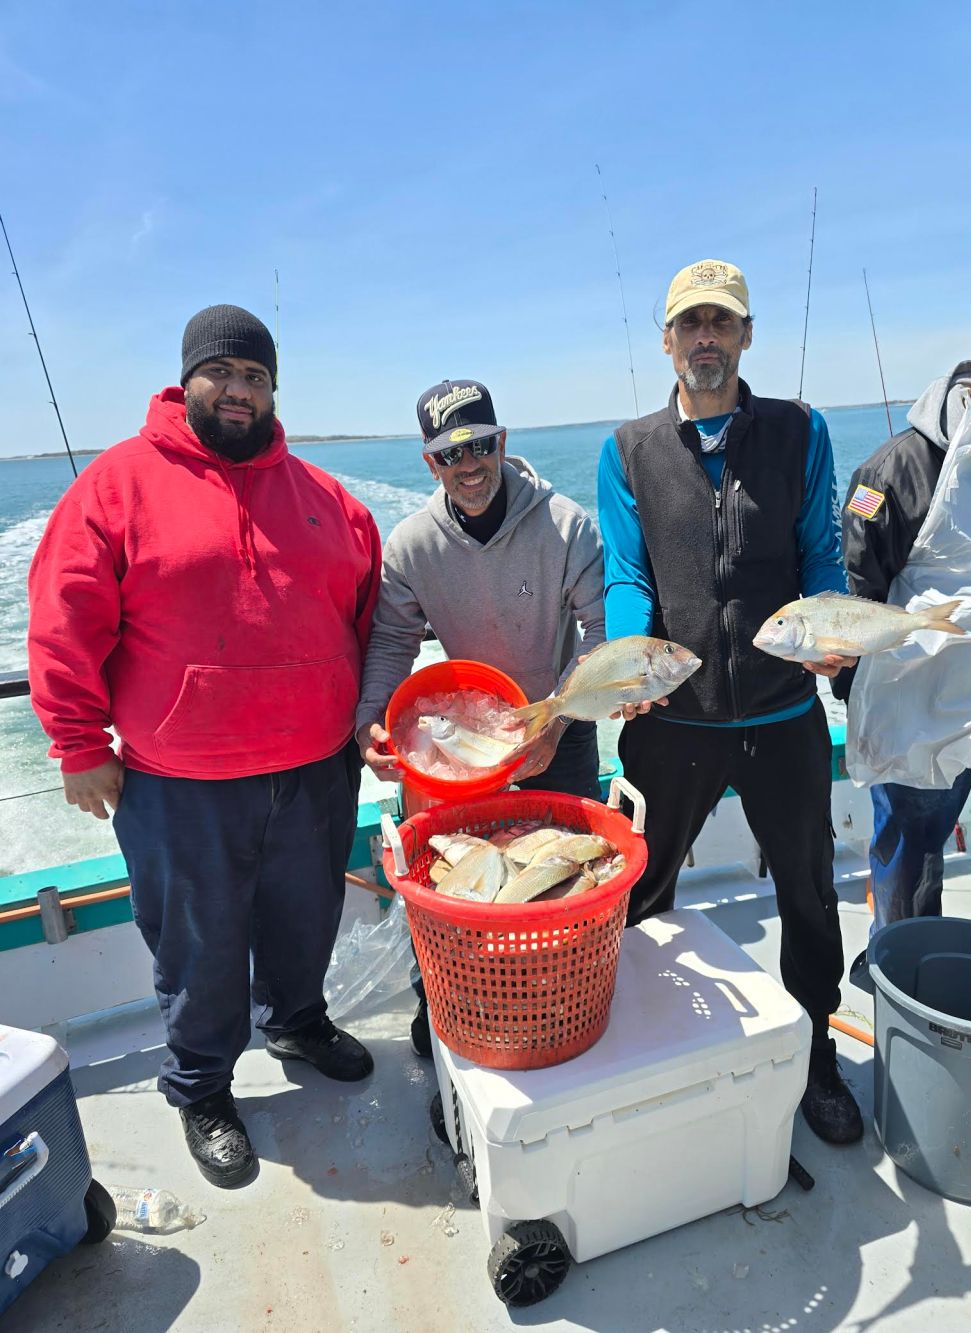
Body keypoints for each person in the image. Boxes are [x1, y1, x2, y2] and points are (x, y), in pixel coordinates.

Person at [28, 305, 382, 1188]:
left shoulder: (327, 498)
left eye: (255, 377)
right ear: (187, 380)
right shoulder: (115, 486)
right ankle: (202, 1086)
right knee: (199, 943)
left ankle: (297, 1019)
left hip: (315, 766)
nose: (238, 390)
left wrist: (374, 718)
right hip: (179, 779)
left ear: (272, 391)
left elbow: (375, 618)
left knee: (307, 918)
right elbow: (61, 622)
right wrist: (78, 743)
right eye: (222, 373)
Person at [597, 259, 863, 1145]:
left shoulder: (801, 430)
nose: (706, 338)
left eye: (723, 322)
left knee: (811, 892)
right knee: (638, 890)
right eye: (690, 324)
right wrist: (634, 664)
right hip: (674, 723)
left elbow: (821, 553)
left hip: (786, 715)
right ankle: (631, 1048)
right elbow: (629, 576)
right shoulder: (625, 449)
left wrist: (832, 630)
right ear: (666, 340)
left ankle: (816, 1052)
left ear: (747, 336)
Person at [355, 378, 606, 1054]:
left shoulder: (567, 526)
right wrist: (368, 722)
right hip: (459, 750)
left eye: (479, 446)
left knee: (567, 874)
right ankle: (440, 999)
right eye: (448, 455)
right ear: (428, 464)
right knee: (450, 889)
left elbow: (601, 635)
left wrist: (558, 719)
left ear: (502, 442)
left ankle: (563, 986)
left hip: (558, 726)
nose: (468, 466)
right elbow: (390, 640)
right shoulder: (410, 545)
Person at [834, 336, 971, 931]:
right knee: (909, 895)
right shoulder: (897, 468)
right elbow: (857, 595)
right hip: (920, 713)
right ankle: (903, 993)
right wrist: (848, 683)